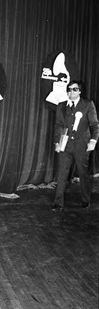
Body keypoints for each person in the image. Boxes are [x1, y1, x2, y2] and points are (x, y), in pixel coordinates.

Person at [52, 80, 99, 211]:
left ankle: (85, 200)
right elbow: (58, 125)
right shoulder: (61, 106)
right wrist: (57, 142)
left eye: (74, 89)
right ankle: (57, 202)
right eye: (69, 89)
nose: (71, 92)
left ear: (79, 91)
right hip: (65, 145)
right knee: (61, 173)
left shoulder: (88, 105)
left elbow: (95, 125)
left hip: (82, 145)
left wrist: (93, 141)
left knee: (83, 173)